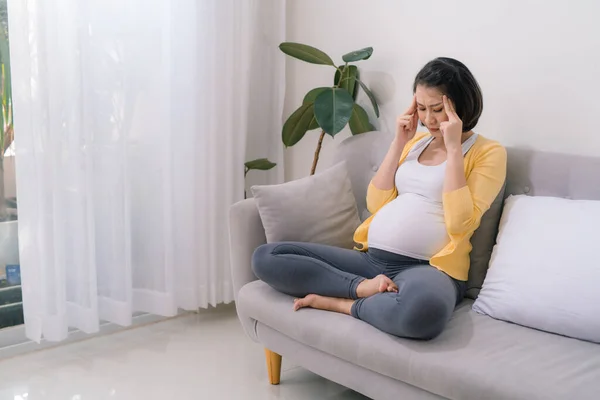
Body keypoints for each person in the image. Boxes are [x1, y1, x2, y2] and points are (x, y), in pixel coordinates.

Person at [251, 57, 507, 340]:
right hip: (371, 262)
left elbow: (460, 223)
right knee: (266, 256)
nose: (429, 120)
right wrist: (399, 140)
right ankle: (361, 289)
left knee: (423, 313)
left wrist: (454, 150)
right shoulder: (414, 143)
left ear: (462, 105)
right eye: (421, 108)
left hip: (429, 270)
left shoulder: (488, 153)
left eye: (438, 109)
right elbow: (376, 203)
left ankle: (342, 303)